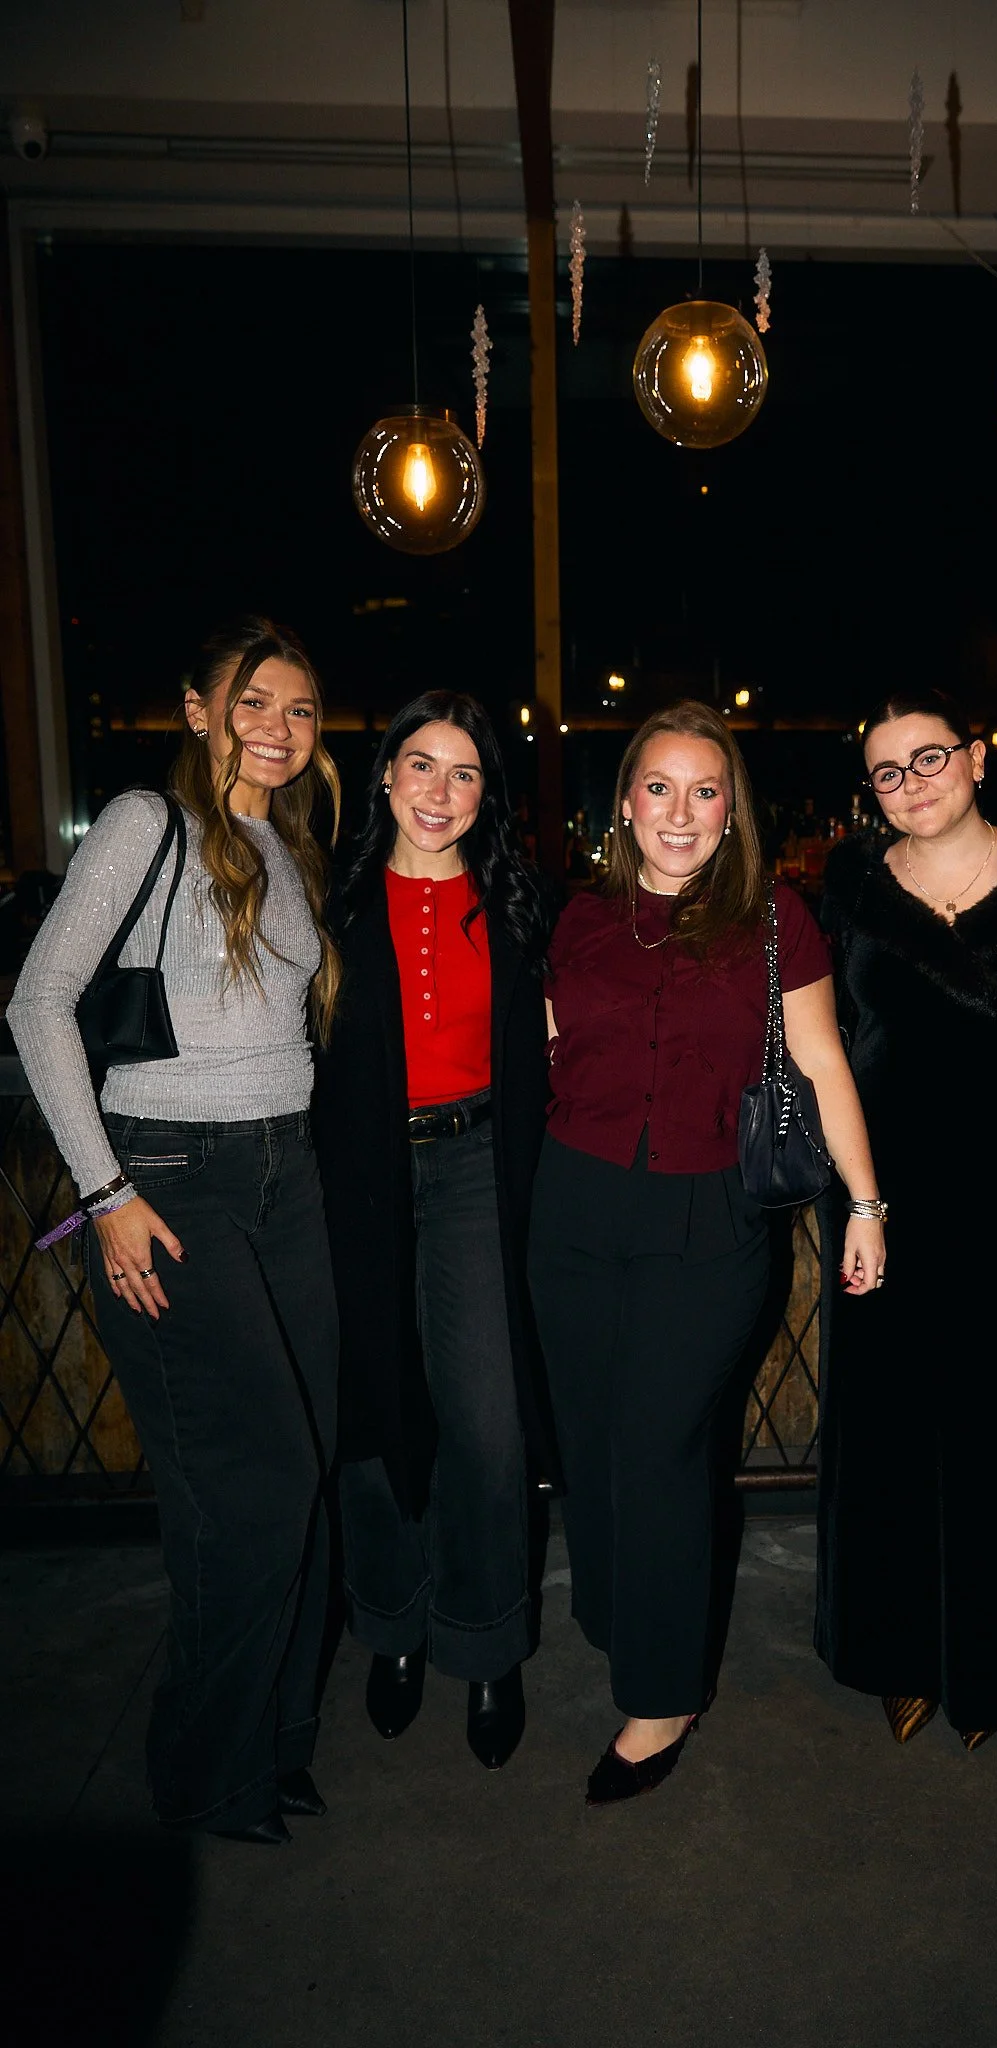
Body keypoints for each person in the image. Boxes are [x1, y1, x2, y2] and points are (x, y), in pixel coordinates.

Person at [10, 616, 342, 1844]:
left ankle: (278, 1741)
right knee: (253, 1488)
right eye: (256, 700)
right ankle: (205, 1762)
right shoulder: (149, 823)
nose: (279, 727)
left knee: (304, 1468)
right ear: (199, 706)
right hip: (171, 1179)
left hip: (285, 1179)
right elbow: (37, 1000)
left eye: (301, 709)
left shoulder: (286, 837)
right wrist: (106, 1193)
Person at [528, 700, 885, 1805]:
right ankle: (621, 1604)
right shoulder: (579, 916)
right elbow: (548, 1050)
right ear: (624, 801)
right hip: (575, 1210)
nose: (679, 811)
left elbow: (823, 1064)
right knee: (588, 1435)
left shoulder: (777, 918)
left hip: (709, 1219)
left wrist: (867, 1204)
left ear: (732, 809)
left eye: (704, 789)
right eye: (658, 787)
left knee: (664, 1448)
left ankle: (663, 1691)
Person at [815, 690, 997, 1748]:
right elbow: (822, 1037)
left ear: (977, 757)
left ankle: (982, 1656)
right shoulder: (850, 888)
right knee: (884, 1422)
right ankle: (894, 1648)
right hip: (878, 1190)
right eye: (888, 770)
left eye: (930, 756)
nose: (911, 781)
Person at [312, 692, 555, 1770]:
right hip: (354, 1172)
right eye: (421, 764)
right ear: (384, 774)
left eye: (464, 773)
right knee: (372, 1414)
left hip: (472, 1169)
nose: (441, 792)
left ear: (485, 792)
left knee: (489, 1428)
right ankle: (394, 1626)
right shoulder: (330, 899)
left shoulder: (516, 903)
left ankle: (486, 1639)